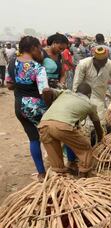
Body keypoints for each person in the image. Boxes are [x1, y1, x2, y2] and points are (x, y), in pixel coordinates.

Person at [5, 36, 49, 179]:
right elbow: (45, 91)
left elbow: (9, 85)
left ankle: (41, 173)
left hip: (19, 106)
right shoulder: (37, 67)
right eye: (39, 49)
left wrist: (21, 86)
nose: (41, 52)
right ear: (34, 48)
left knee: (33, 139)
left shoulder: (11, 64)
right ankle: (63, 165)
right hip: (36, 106)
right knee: (55, 133)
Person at [39, 83, 103, 177]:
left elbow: (46, 90)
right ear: (89, 95)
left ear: (76, 91)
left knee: (55, 156)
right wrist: (101, 139)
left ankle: (59, 179)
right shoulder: (90, 105)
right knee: (85, 147)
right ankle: (83, 175)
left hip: (44, 124)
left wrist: (50, 106)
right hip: (62, 126)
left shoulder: (66, 93)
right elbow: (97, 124)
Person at [72, 45, 111, 123]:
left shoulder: (108, 64)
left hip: (100, 96)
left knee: (99, 120)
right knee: (88, 121)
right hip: (85, 96)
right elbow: (76, 84)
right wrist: (75, 101)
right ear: (94, 59)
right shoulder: (84, 64)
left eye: (105, 60)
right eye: (101, 61)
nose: (103, 63)